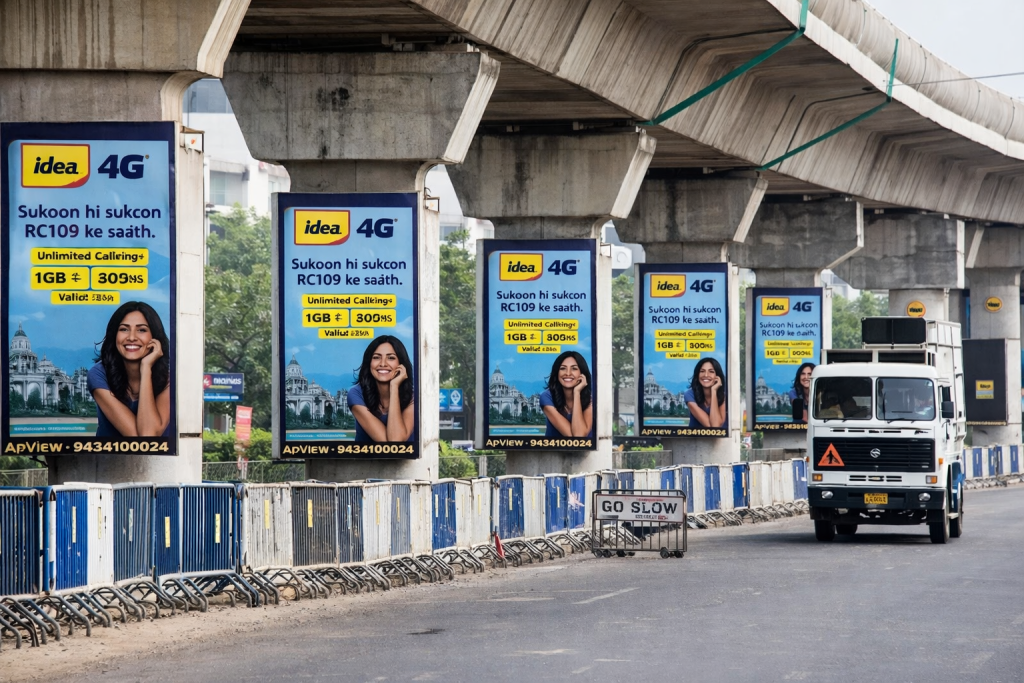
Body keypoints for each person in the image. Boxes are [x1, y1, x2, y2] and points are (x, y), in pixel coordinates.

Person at [88, 301, 172, 438]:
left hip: (159, 459)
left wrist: (146, 368)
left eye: (142, 330)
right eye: (124, 329)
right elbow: (141, 439)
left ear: (155, 337)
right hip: (108, 458)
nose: (132, 337)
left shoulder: (169, 378)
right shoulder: (98, 374)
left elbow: (149, 436)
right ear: (115, 335)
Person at [347, 335, 415, 442]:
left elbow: (396, 442)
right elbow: (391, 446)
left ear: (401, 364)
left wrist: (394, 386)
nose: (383, 364)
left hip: (406, 459)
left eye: (391, 358)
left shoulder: (413, 397)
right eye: (376, 357)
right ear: (369, 363)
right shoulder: (356, 394)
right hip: (367, 459)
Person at [539, 351, 594, 438]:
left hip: (587, 452)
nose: (568, 373)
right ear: (557, 373)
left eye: (574, 369)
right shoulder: (547, 397)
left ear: (582, 373)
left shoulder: (592, 397)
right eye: (563, 368)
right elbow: (576, 438)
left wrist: (576, 393)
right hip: (554, 451)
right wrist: (577, 393)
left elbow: (579, 436)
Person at [684, 358, 727, 429]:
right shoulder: (689, 395)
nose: (706, 375)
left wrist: (714, 391)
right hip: (696, 439)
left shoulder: (724, 395)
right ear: (698, 375)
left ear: (717, 376)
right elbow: (713, 428)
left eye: (711, 371)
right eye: (702, 371)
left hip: (721, 440)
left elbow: (716, 427)